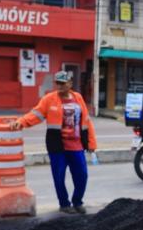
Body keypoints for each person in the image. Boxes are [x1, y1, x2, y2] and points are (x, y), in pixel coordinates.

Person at [10, 70, 97, 214]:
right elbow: (35, 114)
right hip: (57, 145)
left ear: (70, 83)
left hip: (76, 145)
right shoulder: (49, 99)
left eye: (63, 83)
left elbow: (87, 121)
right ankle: (64, 204)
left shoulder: (78, 98)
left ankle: (77, 201)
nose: (60, 86)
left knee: (82, 175)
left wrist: (91, 143)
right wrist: (21, 122)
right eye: (58, 83)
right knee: (59, 176)